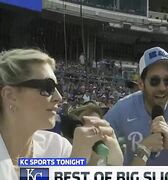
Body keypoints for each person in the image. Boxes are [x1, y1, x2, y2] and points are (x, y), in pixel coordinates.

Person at [0, 49, 113, 179]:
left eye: (57, 88)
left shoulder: (57, 147)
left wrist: (102, 162)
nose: (58, 97)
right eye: (47, 87)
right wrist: (75, 165)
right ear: (10, 95)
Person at [105, 47, 168, 165]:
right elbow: (92, 149)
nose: (162, 88)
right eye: (154, 81)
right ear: (141, 84)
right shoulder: (124, 108)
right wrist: (145, 148)